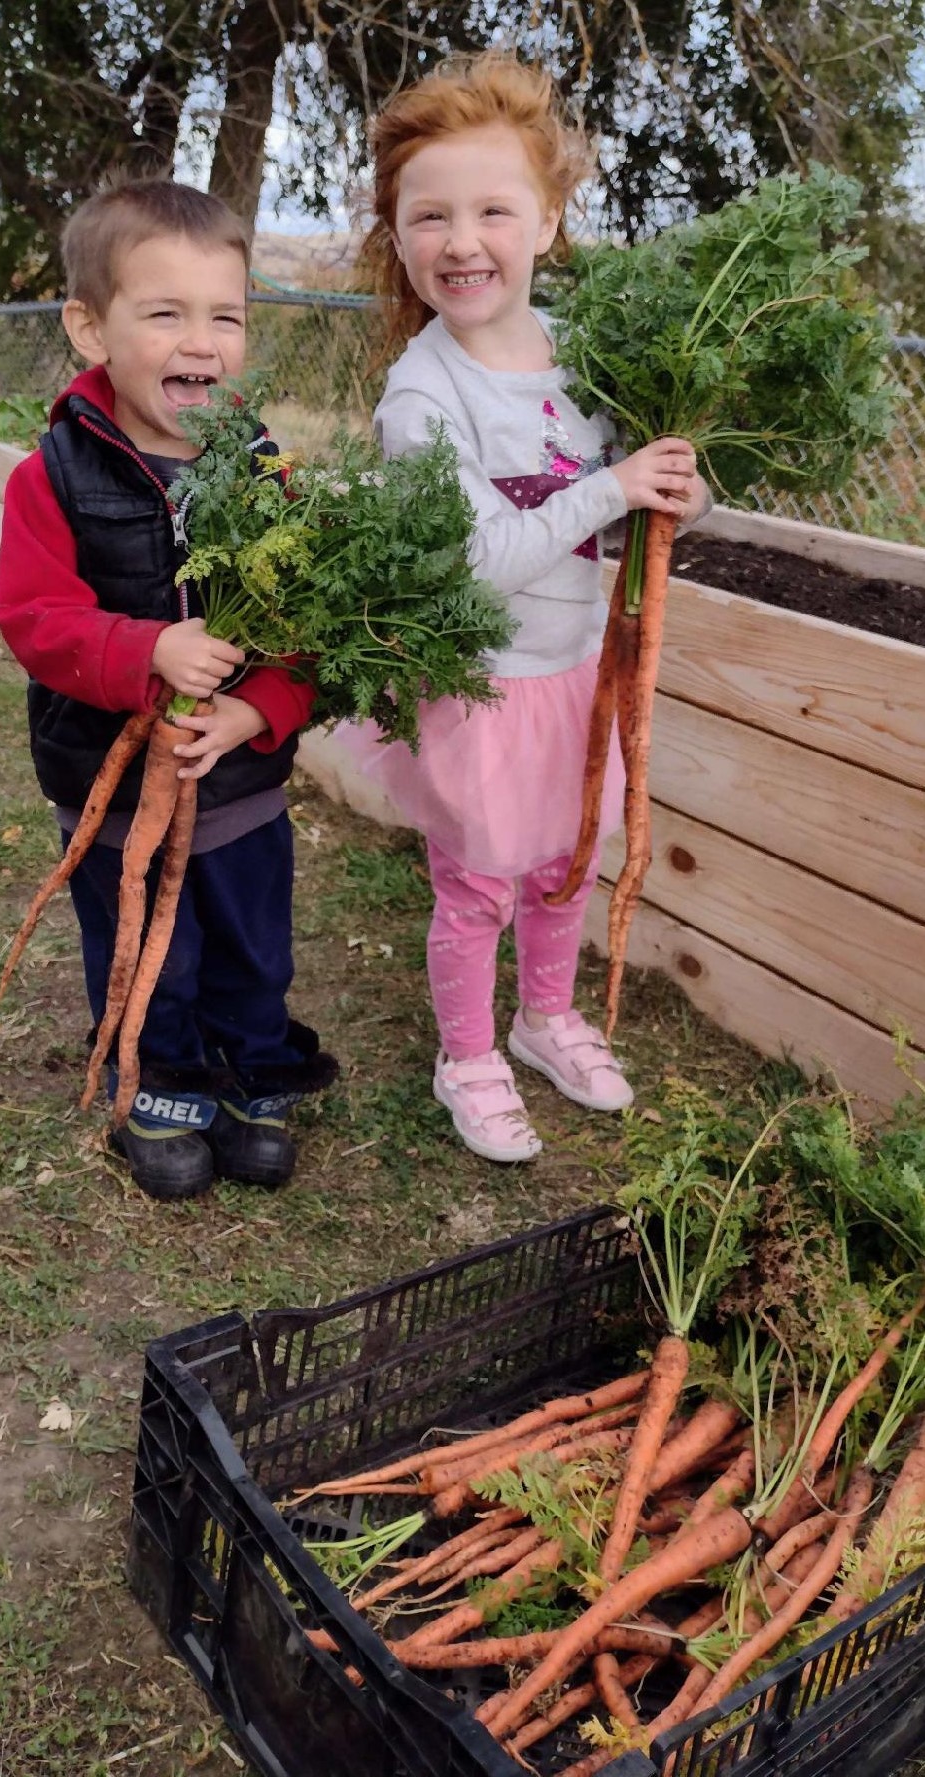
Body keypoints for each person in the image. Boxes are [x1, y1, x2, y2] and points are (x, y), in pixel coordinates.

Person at [354, 51, 711, 1164]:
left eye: (493, 210)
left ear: (548, 222)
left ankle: (545, 1017)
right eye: (430, 217)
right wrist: (608, 486)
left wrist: (668, 497)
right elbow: (475, 565)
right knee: (477, 886)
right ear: (399, 237)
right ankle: (466, 1054)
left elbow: (624, 506)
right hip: (481, 682)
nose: (461, 242)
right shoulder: (424, 395)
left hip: (575, 674)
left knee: (567, 863)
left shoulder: (583, 356)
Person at [0, 179, 337, 1202]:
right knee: (145, 947)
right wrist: (147, 648)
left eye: (224, 315)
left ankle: (248, 1079)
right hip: (109, 782)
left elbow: (304, 635)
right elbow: (37, 621)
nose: (203, 340)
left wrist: (252, 710)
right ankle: (162, 1086)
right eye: (165, 313)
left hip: (239, 789)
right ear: (89, 326)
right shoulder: (50, 475)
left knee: (249, 946)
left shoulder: (267, 471)